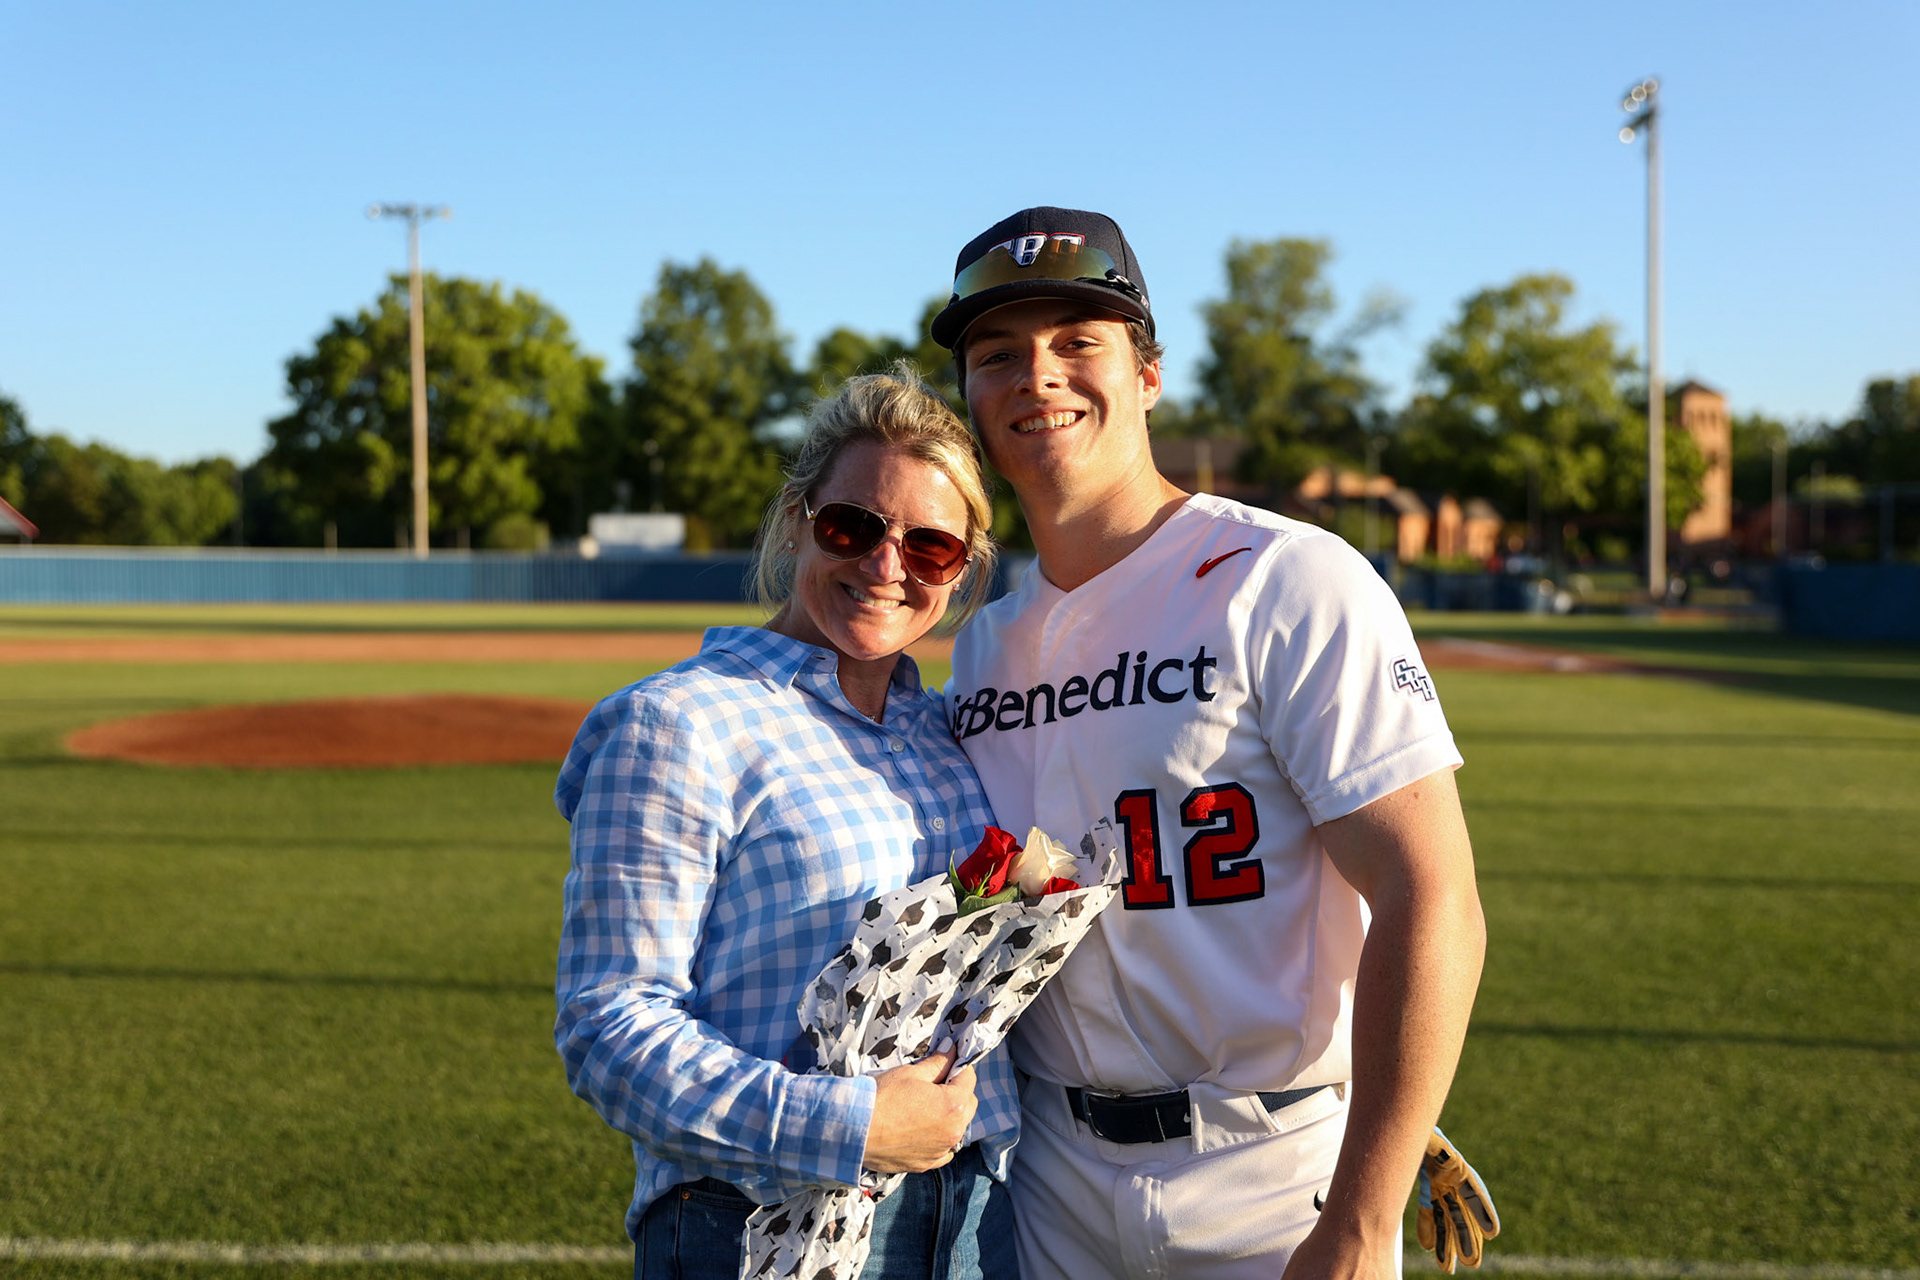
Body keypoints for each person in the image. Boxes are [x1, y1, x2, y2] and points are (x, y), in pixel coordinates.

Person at [931, 208, 1487, 1279]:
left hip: (1271, 1174)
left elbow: (1433, 893)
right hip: (1047, 1177)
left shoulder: (1286, 576)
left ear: (1147, 374)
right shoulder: (983, 645)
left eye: (1077, 342)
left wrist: (1366, 1221)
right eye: (998, 355)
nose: (1037, 377)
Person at [554, 368, 1022, 1280]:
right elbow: (607, 1023)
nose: (887, 566)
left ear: (961, 570)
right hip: (756, 1214)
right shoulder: (680, 724)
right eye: (854, 526)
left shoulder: (947, 730)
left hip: (976, 1218)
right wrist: (849, 1126)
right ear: (798, 518)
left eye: (930, 547)